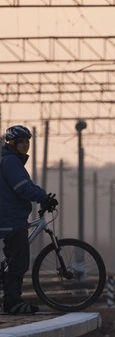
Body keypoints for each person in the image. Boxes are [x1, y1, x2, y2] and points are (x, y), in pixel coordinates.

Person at [0, 125, 57, 314]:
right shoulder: (10, 162)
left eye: (27, 142)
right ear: (12, 143)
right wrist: (44, 197)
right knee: (19, 261)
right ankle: (12, 302)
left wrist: (41, 196)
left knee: (13, 259)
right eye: (21, 142)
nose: (25, 145)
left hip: (11, 217)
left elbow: (25, 186)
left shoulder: (12, 161)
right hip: (11, 219)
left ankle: (10, 297)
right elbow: (23, 187)